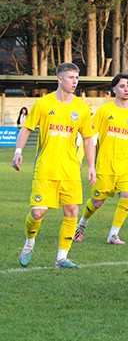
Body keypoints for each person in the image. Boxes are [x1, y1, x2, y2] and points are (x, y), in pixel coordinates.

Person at [12, 62, 97, 268]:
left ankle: (62, 258)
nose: (75, 82)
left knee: (72, 213)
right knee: (37, 213)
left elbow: (88, 139)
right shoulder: (43, 104)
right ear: (60, 79)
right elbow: (26, 128)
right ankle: (29, 242)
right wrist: (18, 152)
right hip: (46, 168)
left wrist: (91, 166)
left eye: (77, 78)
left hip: (70, 170)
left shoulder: (81, 108)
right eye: (71, 77)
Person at [73, 73, 128, 245]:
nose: (126, 89)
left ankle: (113, 234)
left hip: (126, 165)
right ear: (114, 89)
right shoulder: (104, 111)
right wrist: (79, 157)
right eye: (122, 86)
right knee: (97, 202)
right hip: (105, 166)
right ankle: (82, 223)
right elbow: (88, 136)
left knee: (127, 197)